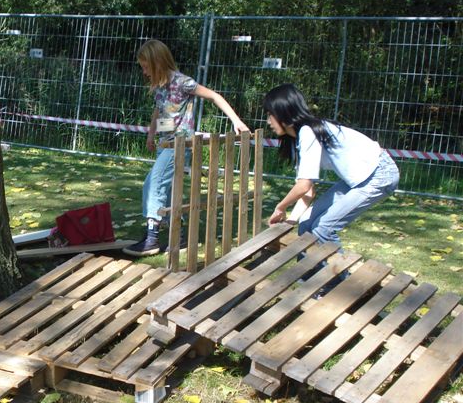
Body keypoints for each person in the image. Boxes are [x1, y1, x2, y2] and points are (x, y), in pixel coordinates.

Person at [123, 39, 249, 257]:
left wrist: (236, 121)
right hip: (165, 144)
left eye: (145, 66)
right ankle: (179, 237)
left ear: (157, 62)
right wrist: (151, 134)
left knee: (153, 183)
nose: (143, 72)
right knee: (171, 191)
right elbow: (159, 111)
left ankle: (152, 238)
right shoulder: (159, 85)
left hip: (180, 145)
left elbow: (214, 96)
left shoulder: (182, 82)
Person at [263, 82, 399, 253]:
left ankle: (342, 280)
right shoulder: (297, 138)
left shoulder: (308, 131)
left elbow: (304, 185)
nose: (268, 121)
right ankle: (310, 279)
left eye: (270, 115)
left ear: (282, 112)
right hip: (360, 179)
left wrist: (280, 207)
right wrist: (292, 220)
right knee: (306, 224)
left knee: (323, 229)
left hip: (380, 174)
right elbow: (308, 190)